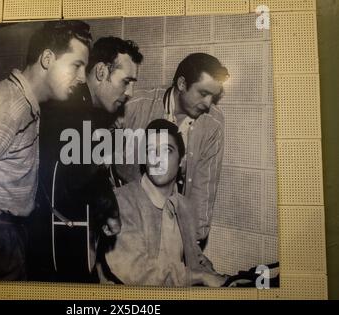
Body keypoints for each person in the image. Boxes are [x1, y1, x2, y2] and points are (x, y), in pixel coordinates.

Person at [0, 20, 92, 280]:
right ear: (47, 59)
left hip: (3, 236)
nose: (82, 77)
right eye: (76, 65)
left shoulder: (23, 103)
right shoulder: (8, 104)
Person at [28, 37, 143, 282]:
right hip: (52, 245)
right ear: (101, 71)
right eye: (126, 81)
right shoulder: (75, 108)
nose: (130, 93)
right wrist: (111, 210)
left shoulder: (77, 106)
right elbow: (81, 173)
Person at [115, 53, 229, 248]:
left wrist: (193, 243)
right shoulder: (135, 105)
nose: (208, 104)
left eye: (213, 96)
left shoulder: (213, 124)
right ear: (182, 84)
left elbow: (204, 189)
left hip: (172, 232)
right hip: (125, 222)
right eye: (203, 93)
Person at [98, 119, 227, 287]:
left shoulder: (184, 206)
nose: (158, 159)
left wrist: (219, 276)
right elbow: (138, 272)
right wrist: (199, 277)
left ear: (182, 161)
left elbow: (192, 258)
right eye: (151, 151)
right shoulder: (121, 202)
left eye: (167, 150)